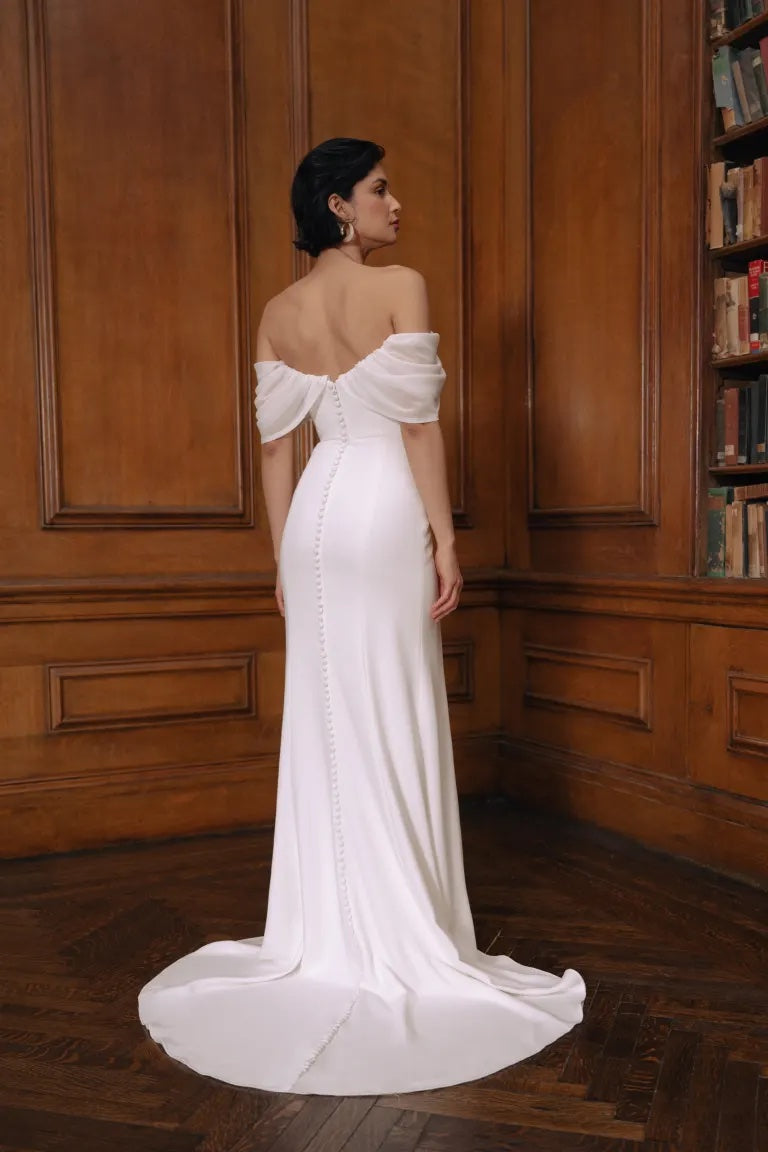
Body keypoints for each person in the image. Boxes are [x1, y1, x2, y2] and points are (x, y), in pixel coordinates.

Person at [137, 137, 586, 1095]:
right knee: (394, 708)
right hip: (382, 511)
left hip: (311, 524)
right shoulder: (403, 287)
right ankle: (400, 928)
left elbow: (272, 453)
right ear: (339, 205)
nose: (398, 202)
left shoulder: (277, 313)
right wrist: (446, 536)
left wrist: (278, 562)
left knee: (332, 720)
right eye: (381, 189)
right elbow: (419, 425)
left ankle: (329, 930)